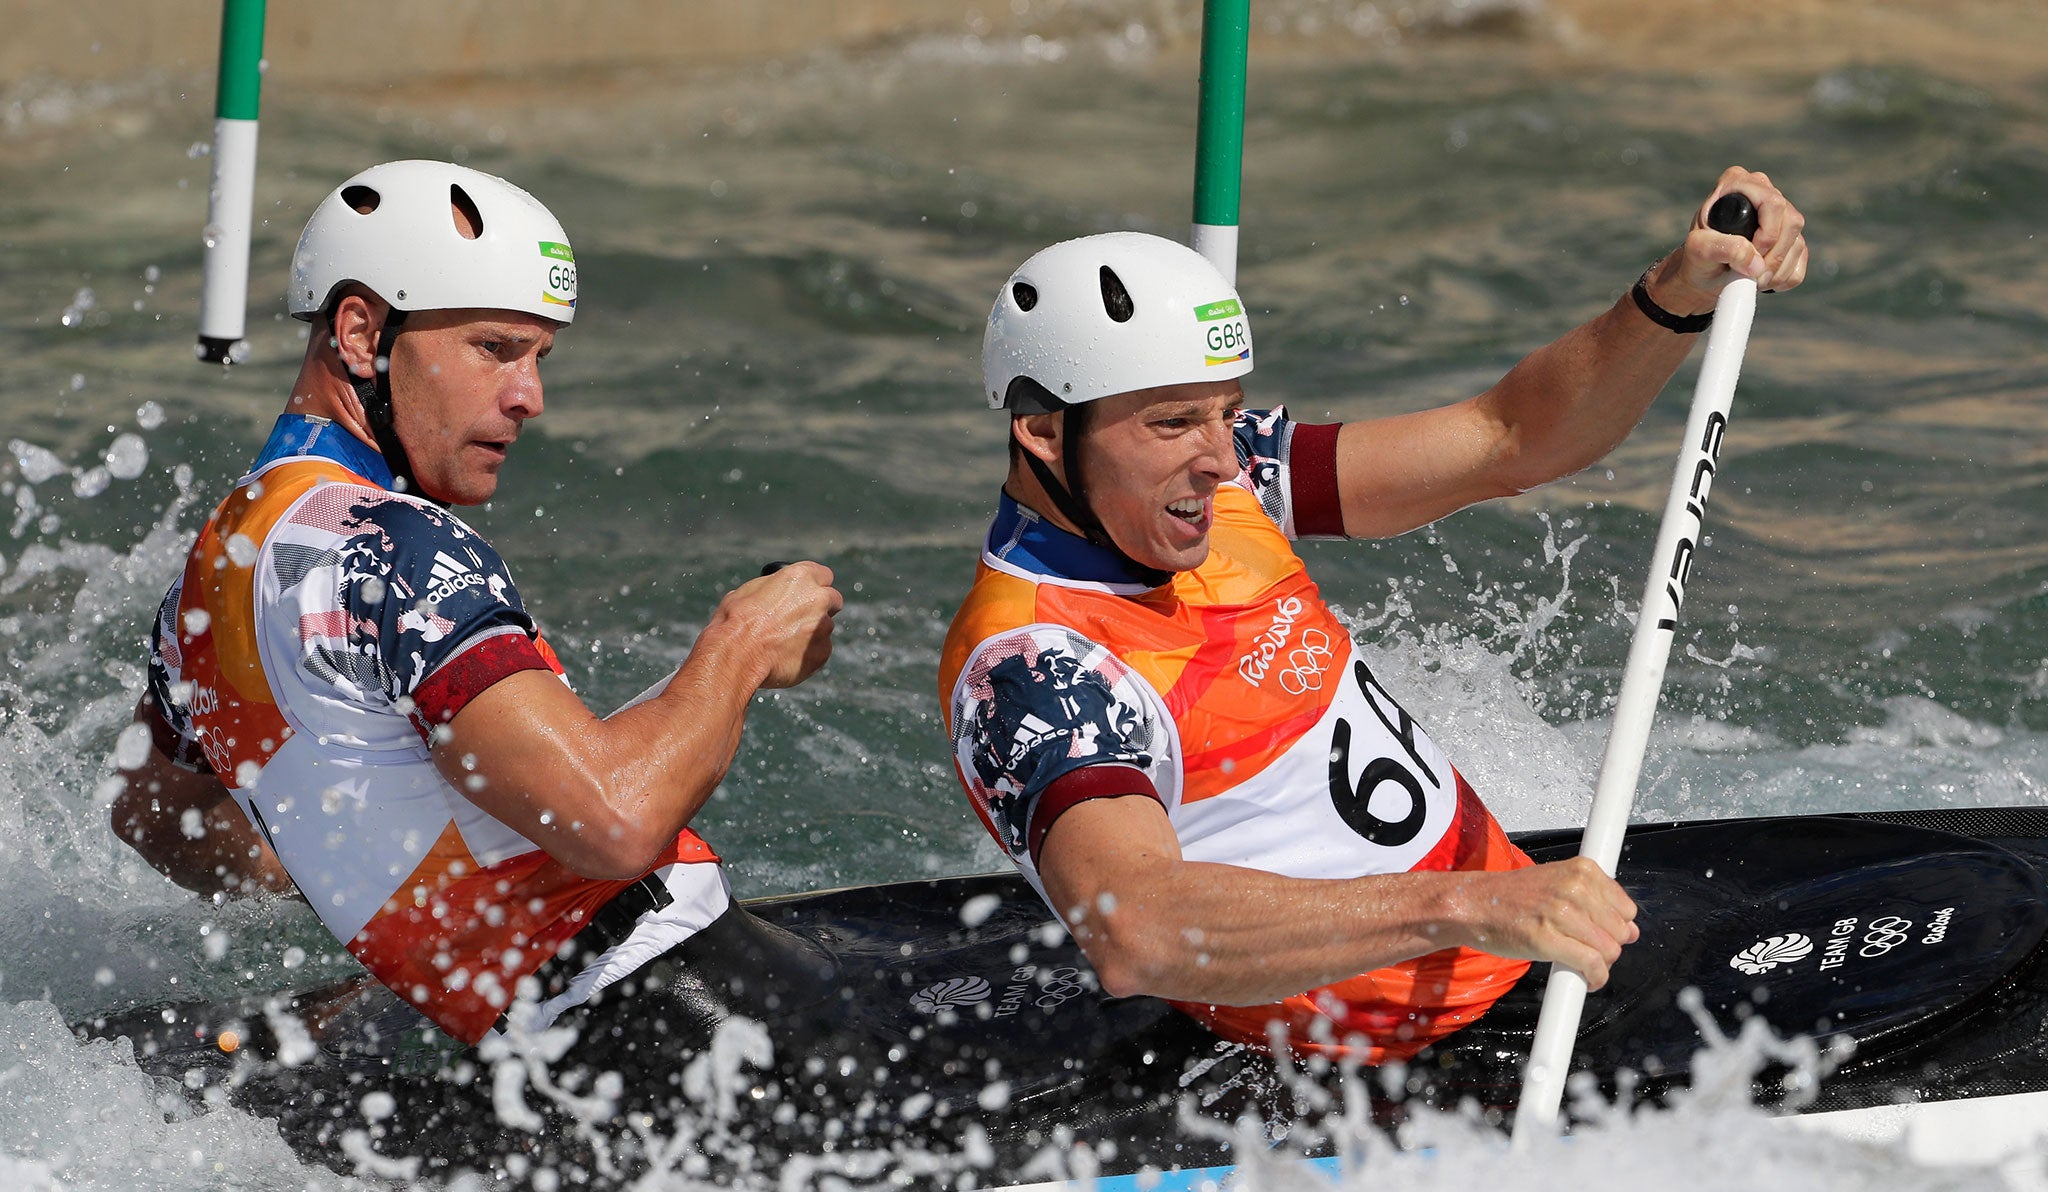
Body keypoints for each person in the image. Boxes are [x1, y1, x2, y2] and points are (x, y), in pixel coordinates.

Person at [942, 168, 1808, 1063]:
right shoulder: (1035, 664)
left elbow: (1508, 439)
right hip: (1410, 1054)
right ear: (1043, 433)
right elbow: (1137, 931)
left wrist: (1676, 296)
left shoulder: (1230, 482)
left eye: (1227, 413)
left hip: (1514, 955)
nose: (1216, 458)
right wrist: (1467, 906)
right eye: (1171, 424)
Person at [110, 159, 843, 1052]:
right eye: (495, 349)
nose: (529, 396)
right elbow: (616, 823)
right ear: (359, 332)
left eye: (538, 357)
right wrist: (742, 645)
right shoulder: (398, 546)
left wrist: (378, 868)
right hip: (677, 1009)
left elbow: (152, 812)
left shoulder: (218, 562)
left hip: (530, 1039)